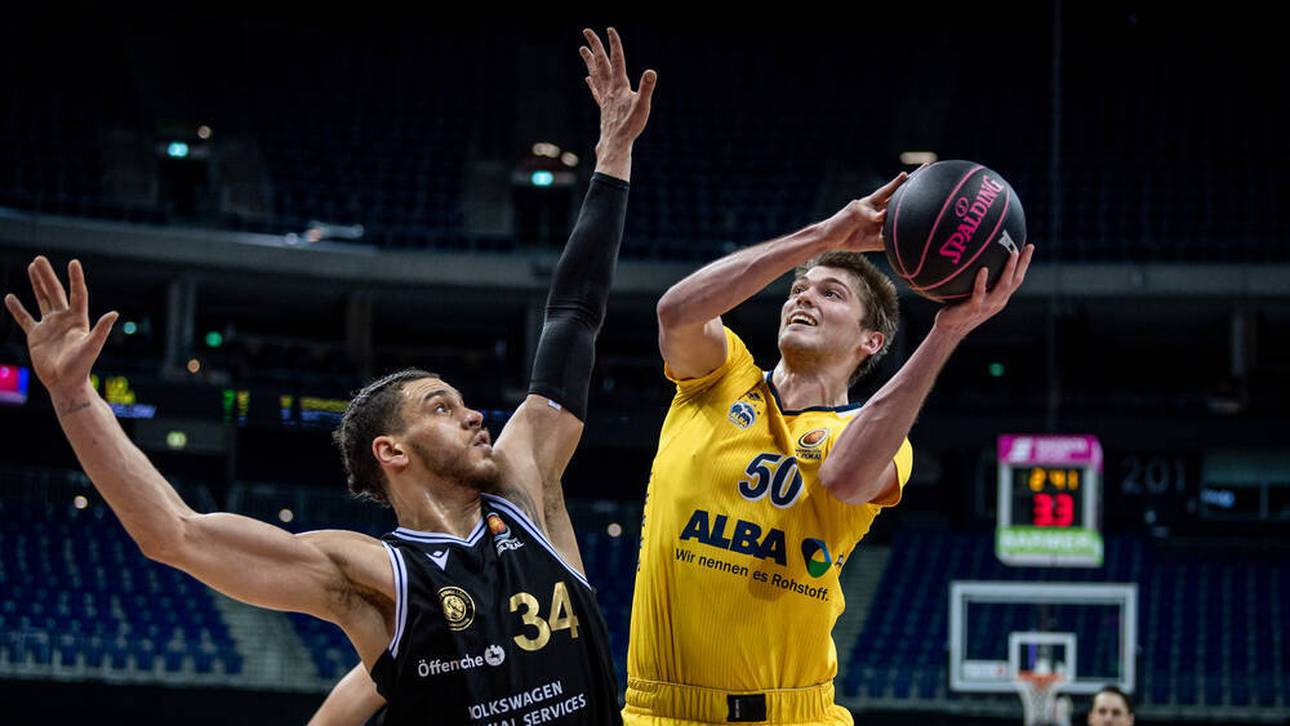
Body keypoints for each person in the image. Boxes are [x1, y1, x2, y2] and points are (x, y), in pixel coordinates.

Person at [3, 27, 655, 726]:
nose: (475, 417)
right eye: (442, 406)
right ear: (392, 450)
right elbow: (176, 534)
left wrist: (613, 156)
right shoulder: (371, 576)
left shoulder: (525, 483)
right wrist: (74, 398)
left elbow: (575, 316)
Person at [624, 170, 1035, 723]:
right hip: (660, 711)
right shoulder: (721, 379)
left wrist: (948, 331)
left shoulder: (876, 434)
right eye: (798, 289)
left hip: (796, 713)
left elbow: (843, 478)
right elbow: (676, 312)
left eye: (831, 293)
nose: (804, 298)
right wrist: (823, 236)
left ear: (873, 341)